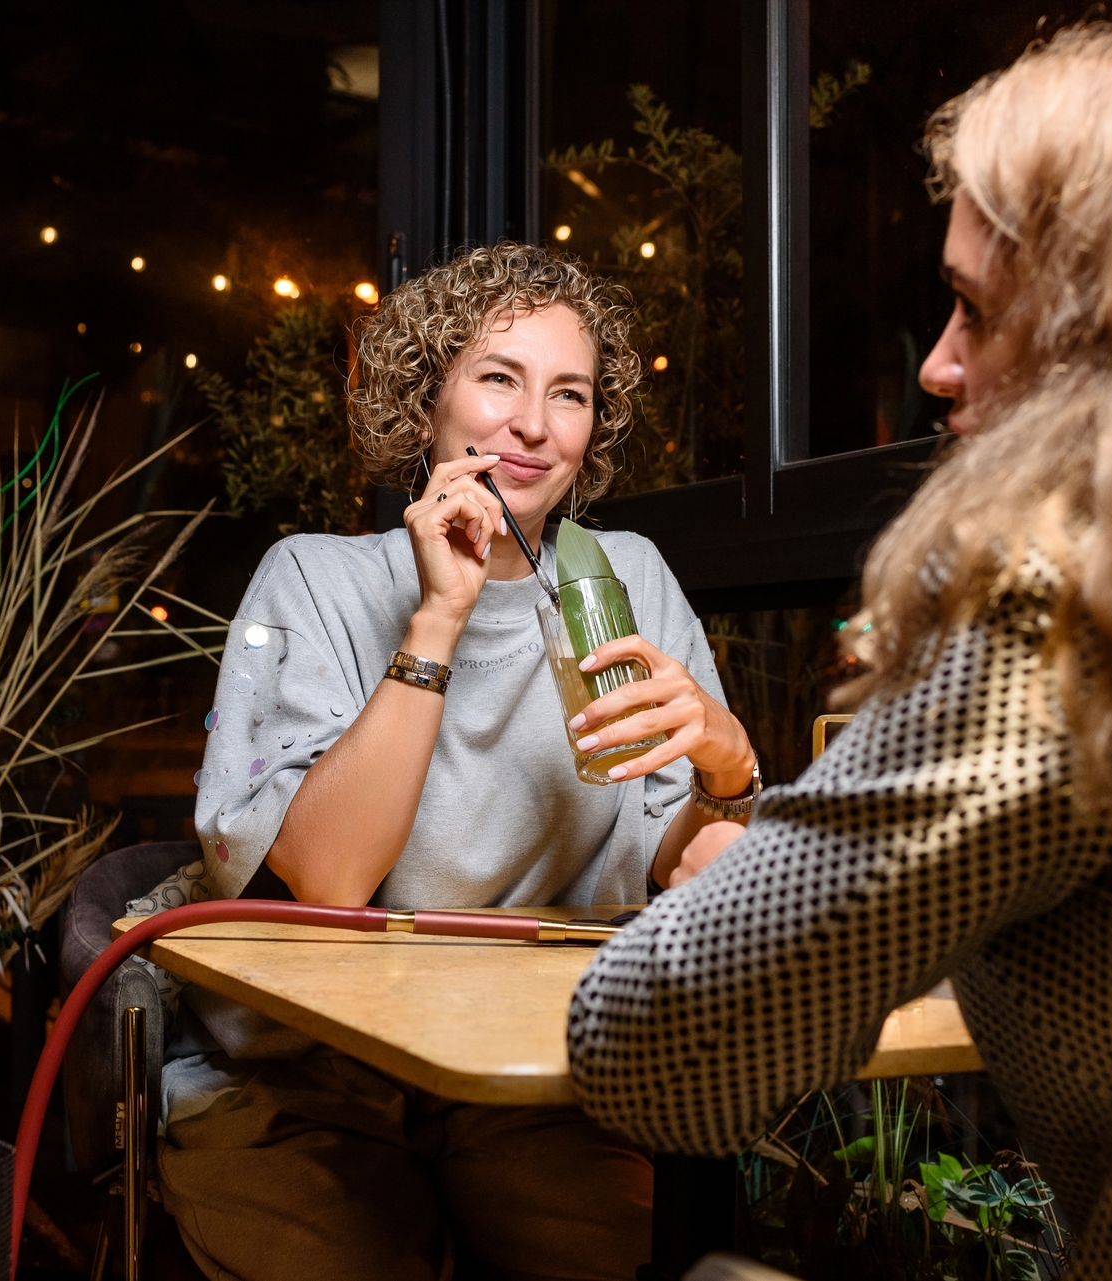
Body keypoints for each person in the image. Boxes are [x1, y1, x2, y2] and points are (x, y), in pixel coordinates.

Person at [566, 10, 1112, 1278]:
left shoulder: (1075, 610)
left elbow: (658, 1057)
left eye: (977, 311)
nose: (937, 366)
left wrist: (767, 862)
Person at [160, 242, 759, 1281]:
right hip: (304, 1079)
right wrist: (439, 616)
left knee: (644, 1257)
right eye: (498, 379)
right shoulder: (314, 580)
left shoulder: (623, 579)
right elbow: (332, 876)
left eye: (569, 394)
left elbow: (688, 859)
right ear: (424, 399)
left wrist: (730, 766)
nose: (534, 424)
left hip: (531, 1079)